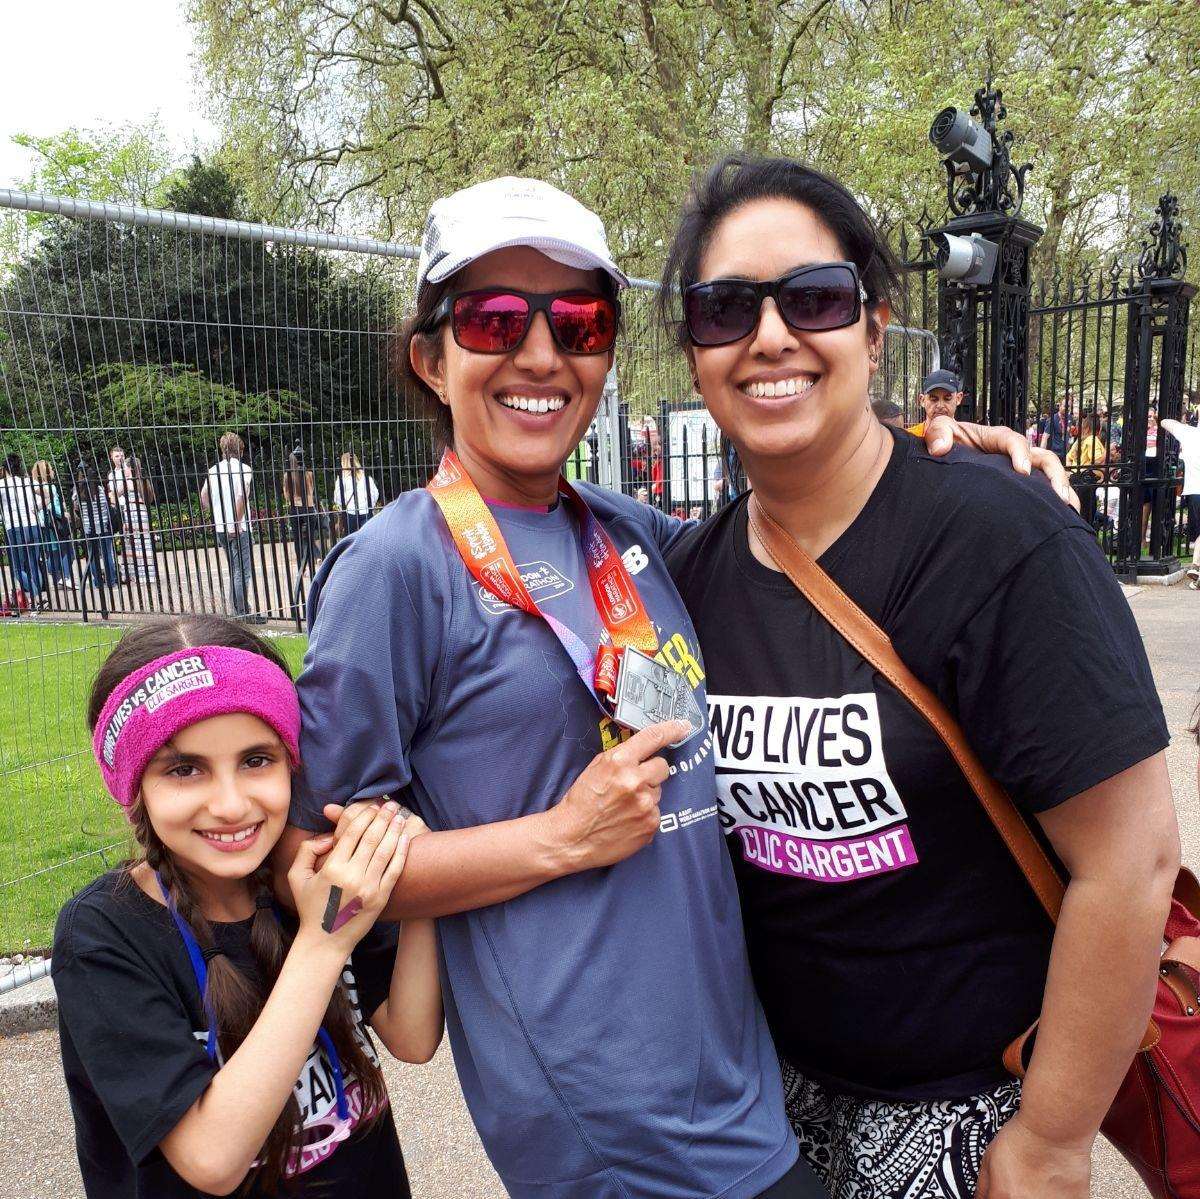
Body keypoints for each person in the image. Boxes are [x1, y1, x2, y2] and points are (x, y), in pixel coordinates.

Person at [279, 175, 1070, 1199]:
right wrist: (556, 838)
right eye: (491, 318)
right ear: (431, 357)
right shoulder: (394, 567)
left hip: (745, 1076)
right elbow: (325, 855)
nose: (538, 354)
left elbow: (795, 534)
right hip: (617, 1130)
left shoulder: (629, 534)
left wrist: (941, 460)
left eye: (578, 321)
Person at [659, 153, 1178, 1199]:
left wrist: (1052, 1137)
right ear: (695, 351)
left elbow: (1132, 859)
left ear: (874, 326)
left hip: (978, 1111)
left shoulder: (998, 542)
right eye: (725, 309)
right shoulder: (685, 579)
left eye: (812, 297)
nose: (769, 336)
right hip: (778, 1110)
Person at [53, 615, 442, 1198]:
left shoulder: (311, 877)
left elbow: (412, 1037)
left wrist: (408, 870)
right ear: (133, 787)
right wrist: (325, 939)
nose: (231, 805)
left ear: (292, 762)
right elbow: (212, 1159)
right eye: (185, 770)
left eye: (256, 760)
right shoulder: (103, 935)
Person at [201, 433, 260, 623]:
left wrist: (218, 512)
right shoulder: (244, 469)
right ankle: (242, 612)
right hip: (238, 526)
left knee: (234, 568)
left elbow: (203, 497)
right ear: (240, 449)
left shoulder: (213, 470)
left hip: (220, 526)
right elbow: (243, 497)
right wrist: (235, 522)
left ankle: (238, 609)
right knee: (242, 571)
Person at [0, 454, 45, 611]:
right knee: (33, 564)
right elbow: (46, 494)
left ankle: (35, 597)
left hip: (15, 527)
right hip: (33, 524)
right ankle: (38, 597)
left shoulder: (2, 484)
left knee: (17, 568)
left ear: (5, 468)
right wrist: (36, 508)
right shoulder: (28, 481)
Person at [109, 450, 158, 587]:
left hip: (131, 513)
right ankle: (147, 574)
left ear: (129, 468)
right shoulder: (143, 480)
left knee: (131, 545)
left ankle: (133, 575)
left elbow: (114, 494)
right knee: (144, 543)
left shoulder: (128, 482)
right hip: (142, 513)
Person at [72, 461, 119, 598]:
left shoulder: (77, 490)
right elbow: (106, 506)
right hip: (103, 525)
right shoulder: (98, 488)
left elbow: (76, 508)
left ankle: (98, 581)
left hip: (88, 527)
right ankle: (111, 581)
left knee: (92, 556)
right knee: (107, 554)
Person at [1162, 416, 1200, 587]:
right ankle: (1196, 565)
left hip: (1194, 493)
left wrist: (1183, 425)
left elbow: (1165, 422)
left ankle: (1196, 567)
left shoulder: (1189, 434)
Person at [30, 460, 75, 590]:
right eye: (51, 469)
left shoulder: (34, 487)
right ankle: (65, 578)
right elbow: (53, 505)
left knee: (53, 551)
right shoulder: (49, 487)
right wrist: (64, 514)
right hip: (55, 521)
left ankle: (57, 578)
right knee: (68, 550)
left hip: (43, 522)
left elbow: (34, 508)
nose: (53, 471)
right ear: (46, 472)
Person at [282, 448, 321, 573]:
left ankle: (301, 568)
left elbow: (286, 495)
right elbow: (312, 490)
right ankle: (313, 563)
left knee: (298, 540)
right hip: (308, 507)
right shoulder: (309, 474)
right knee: (310, 538)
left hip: (295, 508)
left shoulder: (287, 475)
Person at [1065, 414, 1107, 527]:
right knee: (1087, 514)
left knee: (1076, 510)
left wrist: (1071, 471)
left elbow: (1068, 457)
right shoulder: (1093, 439)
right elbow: (1096, 460)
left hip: (1075, 478)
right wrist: (1106, 453)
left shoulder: (1080, 441)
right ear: (1098, 429)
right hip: (1086, 479)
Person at [330, 452, 379, 538]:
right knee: (367, 538)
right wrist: (370, 505)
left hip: (350, 512)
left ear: (344, 463)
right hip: (366, 510)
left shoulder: (342, 478)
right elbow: (375, 493)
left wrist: (343, 507)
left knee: (350, 539)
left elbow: (337, 497)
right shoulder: (366, 476)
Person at [905, 369, 963, 437]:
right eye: (934, 399)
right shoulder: (909, 437)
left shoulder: (967, 438)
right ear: (922, 400)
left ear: (958, 398)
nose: (940, 406)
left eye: (947, 399)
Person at [1039, 393, 1072, 459]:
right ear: (1060, 406)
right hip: (1054, 455)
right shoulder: (1052, 419)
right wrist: (1041, 455)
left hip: (1065, 454)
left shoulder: (1069, 418)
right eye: (1065, 406)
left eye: (1069, 406)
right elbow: (1045, 437)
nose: (1067, 408)